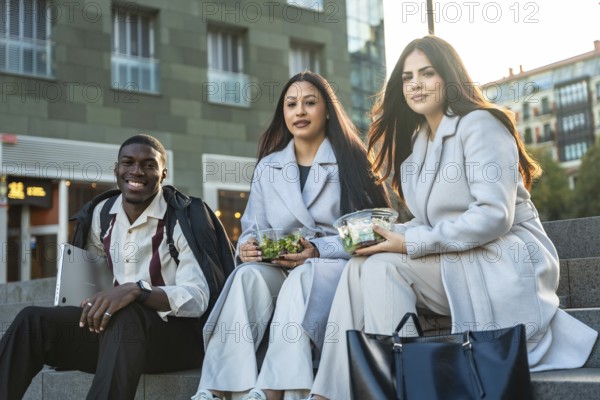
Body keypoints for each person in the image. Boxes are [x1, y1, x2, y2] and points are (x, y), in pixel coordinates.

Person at [309, 36, 599, 400]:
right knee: (359, 266)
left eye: (427, 73)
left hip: (501, 259)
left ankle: (401, 384)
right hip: (454, 260)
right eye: (407, 77)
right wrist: (380, 236)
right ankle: (328, 394)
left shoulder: (480, 125)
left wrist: (409, 243)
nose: (415, 83)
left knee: (384, 268)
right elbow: (427, 222)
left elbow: (494, 214)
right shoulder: (417, 145)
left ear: (448, 78)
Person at [192, 71, 390, 400]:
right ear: (283, 114)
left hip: (333, 270)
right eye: (291, 104)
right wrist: (247, 248)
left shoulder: (352, 162)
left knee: (304, 276)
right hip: (279, 266)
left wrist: (317, 250)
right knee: (246, 278)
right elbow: (251, 227)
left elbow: (371, 230)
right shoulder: (269, 167)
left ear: (327, 110)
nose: (299, 111)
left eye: (309, 103)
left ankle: (276, 391)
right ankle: (219, 389)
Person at [0, 134, 232, 400]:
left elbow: (198, 297)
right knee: (32, 320)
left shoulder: (182, 217)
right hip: (113, 342)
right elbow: (90, 284)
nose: (137, 171)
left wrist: (137, 291)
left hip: (172, 342)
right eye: (128, 162)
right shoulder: (101, 213)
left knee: (127, 313)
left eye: (149, 165)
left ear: (163, 173)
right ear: (116, 169)